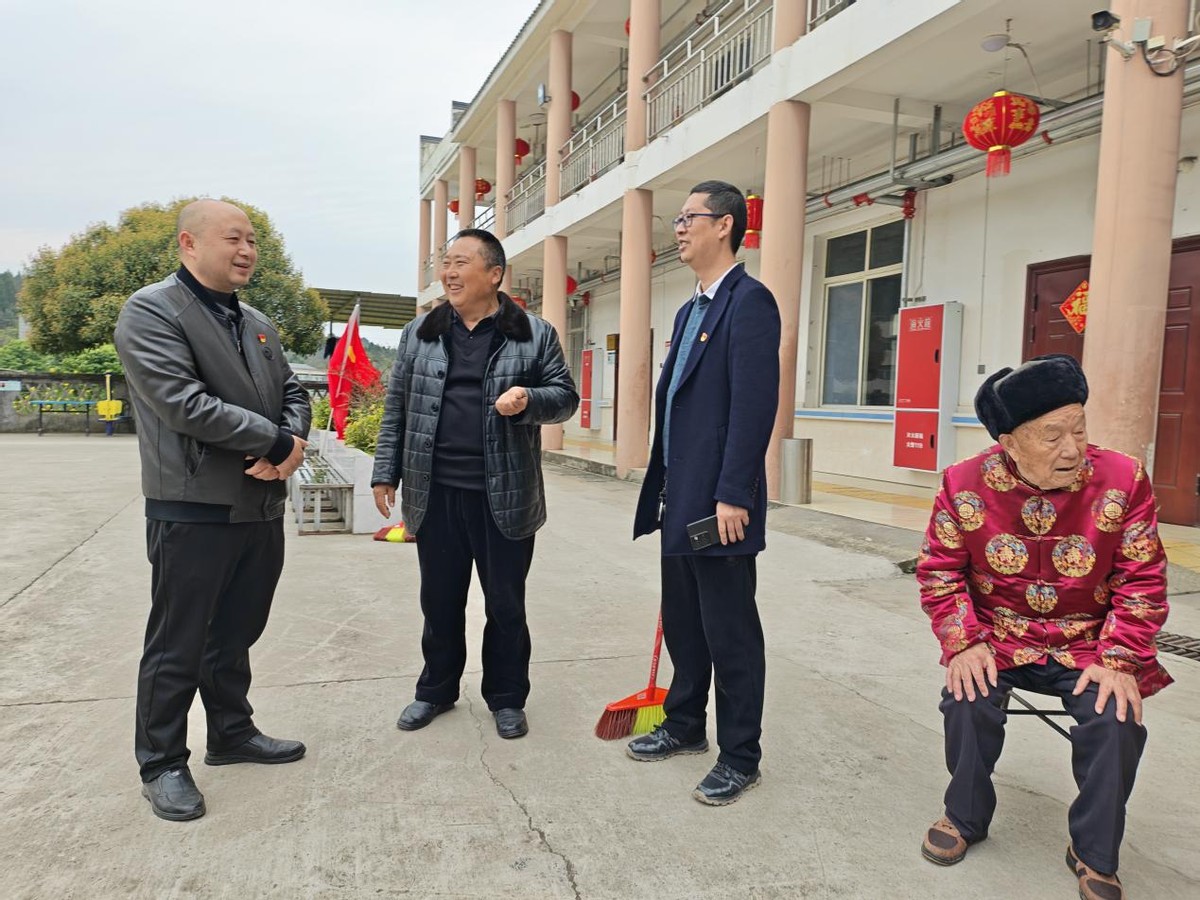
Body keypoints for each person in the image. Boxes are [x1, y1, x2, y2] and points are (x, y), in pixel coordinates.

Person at [917, 354, 1171, 900]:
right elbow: (940, 573)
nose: (1072, 449)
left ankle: (1094, 851)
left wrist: (1119, 658)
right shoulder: (963, 483)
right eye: (1053, 436)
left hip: (1091, 644)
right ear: (1009, 443)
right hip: (998, 638)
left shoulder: (1124, 479)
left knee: (1116, 718)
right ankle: (964, 815)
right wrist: (963, 643)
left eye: (1079, 429)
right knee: (966, 698)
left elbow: (1143, 578)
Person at [113, 199, 312, 822]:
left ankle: (231, 731)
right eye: (233, 238)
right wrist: (275, 441)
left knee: (236, 631)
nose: (247, 250)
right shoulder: (152, 311)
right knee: (178, 640)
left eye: (252, 239)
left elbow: (293, 390)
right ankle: (161, 762)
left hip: (259, 503)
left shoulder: (255, 321)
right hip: (192, 504)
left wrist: (290, 441)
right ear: (189, 243)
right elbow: (181, 402)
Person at [371, 228, 578, 740]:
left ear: (494, 274)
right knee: (439, 602)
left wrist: (529, 399)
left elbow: (565, 397)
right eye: (447, 263)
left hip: (504, 494)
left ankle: (507, 697)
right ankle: (435, 690)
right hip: (435, 492)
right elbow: (397, 407)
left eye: (461, 262)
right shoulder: (419, 334)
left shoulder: (535, 334)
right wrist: (385, 472)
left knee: (506, 605)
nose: (449, 272)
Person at [628, 181, 781, 805]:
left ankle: (740, 755)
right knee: (685, 623)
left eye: (690, 217)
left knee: (730, 632)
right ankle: (685, 723)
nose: (679, 228)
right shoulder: (690, 309)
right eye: (678, 219)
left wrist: (734, 494)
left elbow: (753, 406)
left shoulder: (750, 302)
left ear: (724, 225)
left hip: (721, 503)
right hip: (681, 495)